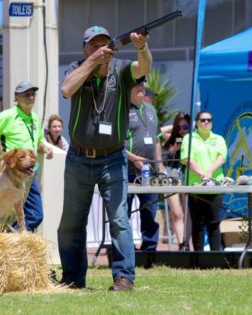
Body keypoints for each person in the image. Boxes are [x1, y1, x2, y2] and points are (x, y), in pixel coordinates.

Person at [58, 25, 152, 291]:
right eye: (93, 44)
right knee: (71, 223)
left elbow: (144, 68)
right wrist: (91, 61)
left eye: (104, 43)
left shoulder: (122, 69)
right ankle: (72, 278)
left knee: (120, 220)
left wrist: (142, 47)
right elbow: (66, 89)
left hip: (112, 158)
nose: (100, 48)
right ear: (85, 48)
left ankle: (124, 278)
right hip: (78, 157)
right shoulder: (77, 67)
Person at [0, 81, 53, 232]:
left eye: (32, 94)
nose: (31, 97)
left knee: (31, 212)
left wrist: (46, 148)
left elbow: (38, 141)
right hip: (10, 171)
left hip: (29, 170)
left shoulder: (35, 119)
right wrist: (1, 152)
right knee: (33, 213)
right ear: (16, 98)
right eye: (26, 94)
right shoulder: (8, 115)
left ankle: (11, 236)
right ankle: (12, 235)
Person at [125, 76, 164, 251]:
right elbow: (117, 144)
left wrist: (160, 166)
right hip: (127, 171)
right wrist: (135, 159)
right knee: (123, 213)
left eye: (142, 84)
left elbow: (156, 140)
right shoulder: (121, 110)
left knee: (149, 212)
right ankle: (126, 249)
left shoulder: (150, 109)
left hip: (150, 171)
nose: (141, 87)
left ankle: (149, 250)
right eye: (136, 85)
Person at [181, 111, 227, 251]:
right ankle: (199, 256)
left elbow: (222, 157)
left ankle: (215, 256)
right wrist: (203, 175)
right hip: (196, 187)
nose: (206, 122)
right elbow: (187, 159)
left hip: (215, 186)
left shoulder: (218, 139)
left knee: (214, 223)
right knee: (198, 223)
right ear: (196, 122)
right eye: (202, 120)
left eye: (209, 120)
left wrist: (209, 172)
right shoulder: (188, 138)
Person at [162, 112, 191, 249]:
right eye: (178, 128)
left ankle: (188, 241)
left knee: (188, 211)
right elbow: (160, 131)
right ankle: (181, 243)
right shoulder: (171, 140)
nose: (181, 130)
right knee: (176, 212)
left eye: (185, 127)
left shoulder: (193, 140)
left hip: (187, 176)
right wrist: (173, 149)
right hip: (172, 176)